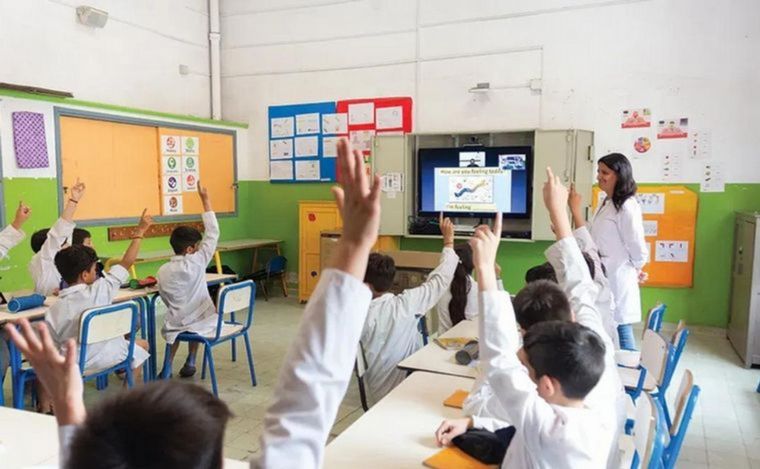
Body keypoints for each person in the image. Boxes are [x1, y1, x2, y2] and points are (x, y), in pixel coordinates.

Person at [6, 137, 381, 469]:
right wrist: (355, 245)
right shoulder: (189, 263)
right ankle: (183, 362)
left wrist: (67, 404)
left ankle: (61, 399)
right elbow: (307, 397)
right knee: (147, 343)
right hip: (205, 324)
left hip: (159, 332)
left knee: (164, 331)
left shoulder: (163, 274)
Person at [438, 168, 625, 468]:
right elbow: (580, 288)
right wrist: (559, 213)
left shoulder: (550, 428)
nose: (520, 367)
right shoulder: (594, 348)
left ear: (546, 386)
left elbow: (499, 362)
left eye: (525, 367)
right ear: (572, 318)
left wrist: (485, 269)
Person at [45, 209, 153, 378]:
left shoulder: (55, 309)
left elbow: (52, 346)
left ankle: (47, 403)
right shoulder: (102, 289)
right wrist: (140, 231)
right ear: (85, 275)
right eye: (95, 268)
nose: (97, 271)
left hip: (75, 366)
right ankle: (129, 395)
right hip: (112, 355)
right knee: (139, 349)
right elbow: (127, 262)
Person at [361, 214, 457, 403]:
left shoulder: (356, 314)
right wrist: (448, 241)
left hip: (376, 394)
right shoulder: (406, 304)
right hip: (408, 389)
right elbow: (440, 280)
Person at [158, 182, 218, 378]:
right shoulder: (198, 261)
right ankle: (191, 359)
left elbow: (164, 297)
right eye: (198, 245)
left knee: (174, 328)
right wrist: (205, 200)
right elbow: (213, 233)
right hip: (202, 321)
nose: (201, 248)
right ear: (191, 249)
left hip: (175, 322)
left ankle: (167, 366)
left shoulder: (163, 270)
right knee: (201, 314)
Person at [590, 154, 648, 350]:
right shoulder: (606, 202)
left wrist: (637, 267)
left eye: (605, 172)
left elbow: (637, 245)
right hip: (607, 273)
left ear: (619, 175)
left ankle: (629, 373)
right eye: (598, 171)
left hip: (618, 275)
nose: (599, 176)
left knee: (622, 328)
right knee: (610, 326)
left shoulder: (627, 206)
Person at [29, 179, 86, 296]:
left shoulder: (60, 260)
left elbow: (65, 232)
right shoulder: (42, 261)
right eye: (62, 244)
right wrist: (73, 201)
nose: (67, 246)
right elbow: (59, 232)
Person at [436, 244, 503, 334]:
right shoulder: (481, 290)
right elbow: (502, 313)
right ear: (474, 264)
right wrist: (497, 278)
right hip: (473, 344)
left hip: (441, 343)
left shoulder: (439, 287)